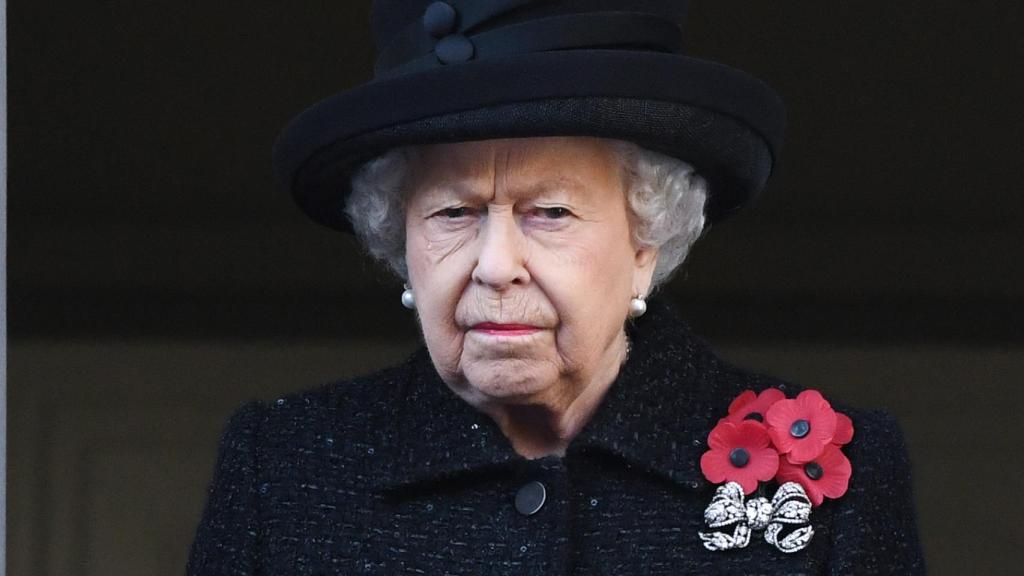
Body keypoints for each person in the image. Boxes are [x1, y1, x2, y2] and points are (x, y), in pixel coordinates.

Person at [187, 1, 926, 574]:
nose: (494, 264)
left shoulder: (842, 481)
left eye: (549, 212)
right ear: (399, 241)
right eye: (453, 213)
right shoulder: (283, 468)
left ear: (647, 242)